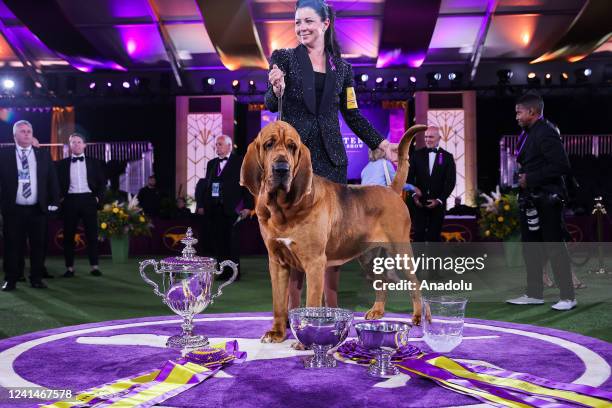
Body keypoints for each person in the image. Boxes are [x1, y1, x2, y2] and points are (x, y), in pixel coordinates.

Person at [266, 0, 392, 309]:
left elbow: (352, 114)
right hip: (297, 165)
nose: (301, 28)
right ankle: (297, 316)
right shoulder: (283, 57)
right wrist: (276, 88)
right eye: (297, 23)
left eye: (308, 21)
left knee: (330, 238)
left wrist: (381, 143)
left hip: (332, 161)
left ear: (325, 24)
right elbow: (270, 102)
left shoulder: (343, 68)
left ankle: (330, 312)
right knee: (296, 235)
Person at [506, 93, 576, 311]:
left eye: (519, 112)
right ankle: (534, 294)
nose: (516, 116)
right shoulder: (528, 133)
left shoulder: (546, 131)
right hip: (532, 199)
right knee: (531, 248)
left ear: (532, 112)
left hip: (548, 199)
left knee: (554, 248)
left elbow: (562, 165)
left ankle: (568, 296)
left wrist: (531, 178)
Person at [0, 120, 59, 291]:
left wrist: (54, 202)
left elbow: (52, 181)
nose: (26, 134)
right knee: (12, 245)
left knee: (38, 246)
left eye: (29, 131)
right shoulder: (4, 155)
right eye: (22, 131)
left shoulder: (43, 155)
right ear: (14, 136)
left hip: (37, 209)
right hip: (13, 209)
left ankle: (36, 278)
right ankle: (11, 279)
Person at [195, 135, 252, 281]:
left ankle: (233, 273)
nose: (217, 147)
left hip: (233, 209)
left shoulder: (240, 162)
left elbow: (247, 185)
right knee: (219, 242)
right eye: (216, 145)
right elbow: (207, 185)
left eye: (220, 144)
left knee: (232, 242)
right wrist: (201, 204)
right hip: (215, 209)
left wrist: (248, 206)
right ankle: (222, 271)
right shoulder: (211, 163)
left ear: (229, 146)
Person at [407, 126, 456, 280]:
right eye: (426, 137)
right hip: (418, 204)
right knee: (419, 237)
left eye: (431, 137)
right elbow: (409, 179)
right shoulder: (416, 155)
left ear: (439, 138)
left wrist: (440, 200)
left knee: (434, 238)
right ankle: (417, 273)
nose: (427, 140)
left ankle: (434, 273)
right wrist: (414, 195)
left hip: (438, 205)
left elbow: (450, 182)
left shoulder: (447, 157)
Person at [56, 133, 106, 278]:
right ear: (69, 145)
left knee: (92, 235)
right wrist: (61, 198)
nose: (76, 145)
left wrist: (97, 198)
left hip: (89, 200)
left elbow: (103, 183)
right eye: (73, 142)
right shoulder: (61, 164)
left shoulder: (95, 162)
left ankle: (94, 266)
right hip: (69, 201)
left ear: (84, 145)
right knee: (68, 236)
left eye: (79, 142)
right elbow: (56, 184)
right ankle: (69, 268)